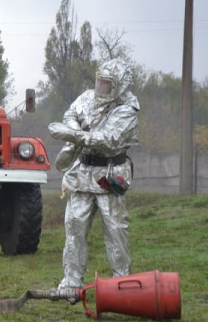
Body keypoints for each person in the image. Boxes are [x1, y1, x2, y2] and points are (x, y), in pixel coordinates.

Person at [48, 58, 140, 289]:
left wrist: (73, 136)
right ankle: (71, 282)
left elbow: (108, 140)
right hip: (82, 172)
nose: (100, 86)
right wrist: (76, 128)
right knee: (74, 227)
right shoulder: (87, 97)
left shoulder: (127, 109)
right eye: (99, 81)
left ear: (118, 86)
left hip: (110, 173)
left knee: (115, 230)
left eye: (106, 83)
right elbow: (71, 114)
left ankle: (122, 283)